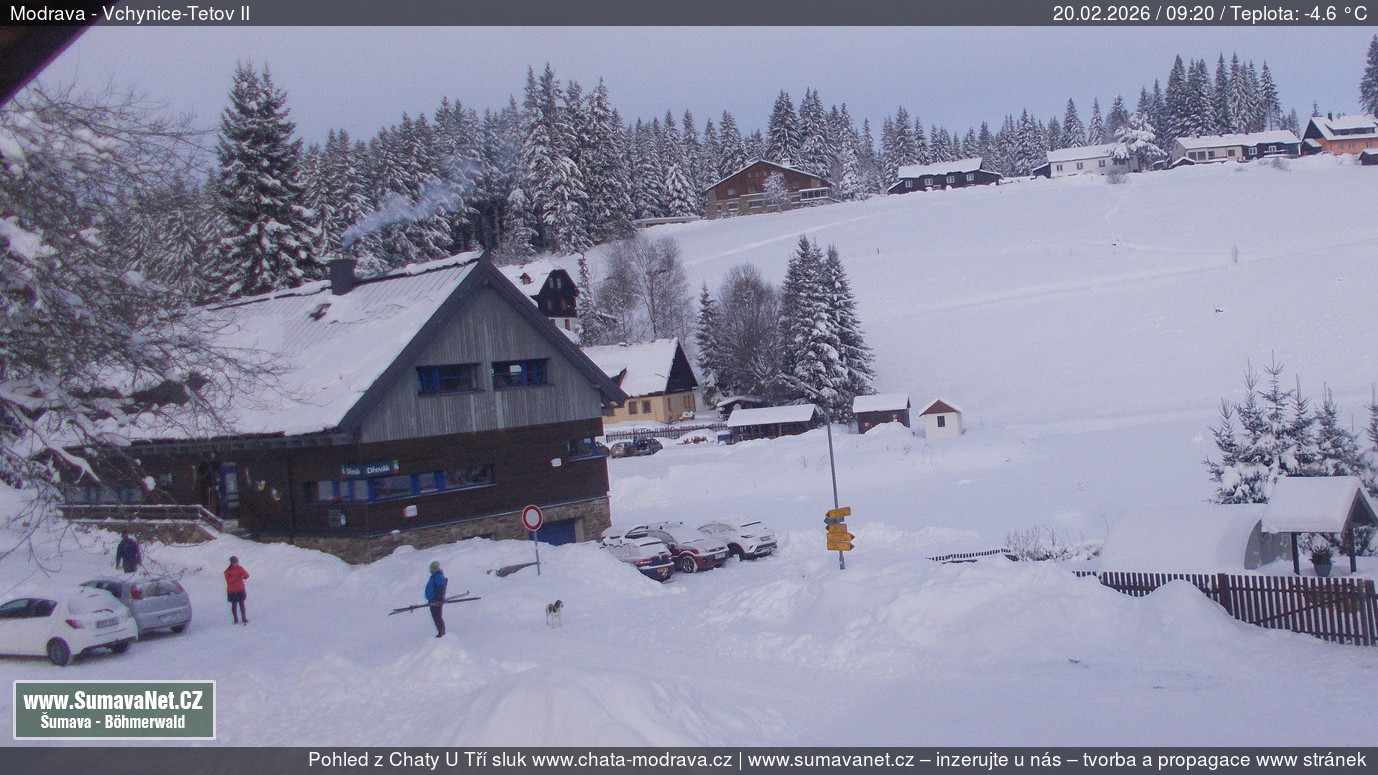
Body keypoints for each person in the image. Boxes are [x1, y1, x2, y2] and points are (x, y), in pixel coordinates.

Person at [424, 560, 447, 638]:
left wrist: (439, 600)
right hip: (432, 600)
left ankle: (441, 632)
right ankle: (441, 631)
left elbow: (441, 589)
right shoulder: (435, 576)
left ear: (435, 569)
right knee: (435, 617)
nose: (430, 570)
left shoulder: (438, 576)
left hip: (436, 601)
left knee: (437, 617)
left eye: (431, 569)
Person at [224, 556, 250, 625]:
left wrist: (244, 576)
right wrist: (237, 577)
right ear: (232, 563)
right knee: (234, 604)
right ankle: (235, 619)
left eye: (237, 562)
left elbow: (247, 575)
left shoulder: (240, 568)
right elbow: (228, 580)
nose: (236, 563)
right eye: (235, 562)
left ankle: (244, 618)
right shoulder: (228, 571)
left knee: (241, 603)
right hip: (232, 590)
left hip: (240, 588)